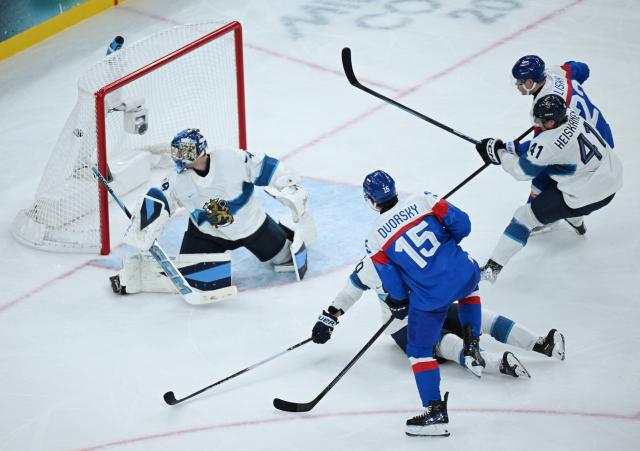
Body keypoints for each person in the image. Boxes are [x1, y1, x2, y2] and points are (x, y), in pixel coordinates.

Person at [340, 170, 485, 437]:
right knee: (468, 286)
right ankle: (472, 341)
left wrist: (398, 303)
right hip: (462, 270)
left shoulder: (374, 238)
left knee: (419, 350)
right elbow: (463, 224)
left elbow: (392, 280)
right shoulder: (423, 199)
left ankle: (435, 412)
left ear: (371, 200)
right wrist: (447, 251)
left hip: (430, 295)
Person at [109, 128, 315, 295]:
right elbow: (161, 197)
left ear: (201, 150)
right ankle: (134, 277)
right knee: (192, 276)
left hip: (251, 227)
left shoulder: (230, 158)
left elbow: (265, 167)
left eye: (186, 153)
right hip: (208, 234)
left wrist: (288, 186)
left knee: (284, 259)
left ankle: (286, 231)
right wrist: (146, 219)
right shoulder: (177, 178)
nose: (181, 159)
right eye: (178, 153)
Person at [311, 256, 567, 379]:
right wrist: (329, 318)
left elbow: (350, 291)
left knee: (455, 333)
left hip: (420, 315)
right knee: (465, 327)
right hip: (421, 315)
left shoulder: (379, 261)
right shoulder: (406, 255)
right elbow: (350, 292)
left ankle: (513, 355)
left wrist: (330, 317)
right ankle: (519, 352)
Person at [475, 94, 622, 283]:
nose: (537, 124)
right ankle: (577, 224)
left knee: (524, 217)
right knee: (561, 187)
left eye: (541, 121)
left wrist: (499, 153)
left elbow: (521, 171)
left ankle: (491, 270)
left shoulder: (549, 144)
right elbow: (543, 147)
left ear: (552, 121)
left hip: (588, 194)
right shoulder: (572, 115)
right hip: (610, 177)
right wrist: (515, 148)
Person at [511, 55, 615, 234]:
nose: (516, 85)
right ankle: (573, 216)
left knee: (544, 172)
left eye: (520, 82)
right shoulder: (556, 72)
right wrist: (569, 71)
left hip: (583, 149)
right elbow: (582, 68)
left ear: (530, 82)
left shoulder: (543, 107)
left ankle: (541, 218)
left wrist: (512, 149)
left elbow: (539, 149)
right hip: (602, 137)